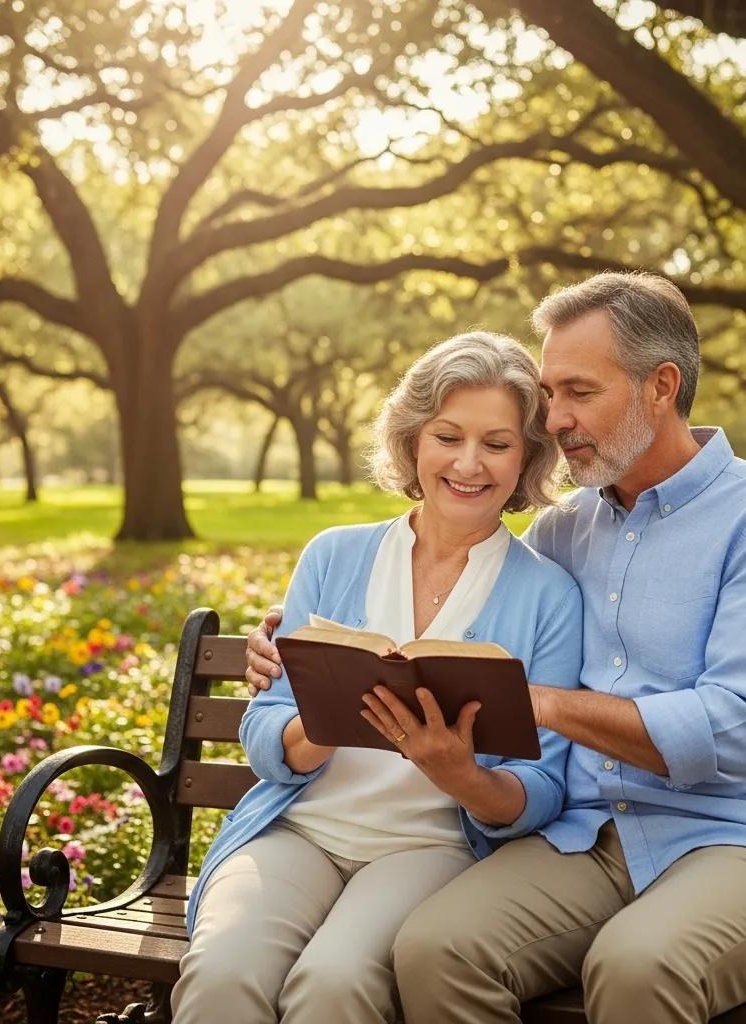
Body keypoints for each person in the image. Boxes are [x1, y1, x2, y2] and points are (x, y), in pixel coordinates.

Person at [247, 272, 746, 1024]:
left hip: (743, 843)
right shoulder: (564, 531)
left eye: (578, 392)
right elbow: (472, 584)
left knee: (636, 966)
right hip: (588, 837)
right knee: (437, 947)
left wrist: (550, 705)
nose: (553, 420)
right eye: (549, 393)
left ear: (661, 385)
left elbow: (740, 729)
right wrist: (286, 636)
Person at [172, 331, 583, 1024]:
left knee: (334, 985)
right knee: (222, 973)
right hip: (296, 832)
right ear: (413, 441)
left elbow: (543, 788)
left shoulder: (549, 596)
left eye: (497, 443)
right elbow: (265, 727)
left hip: (429, 849)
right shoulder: (334, 557)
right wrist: (320, 723)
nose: (468, 464)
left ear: (528, 458)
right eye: (447, 436)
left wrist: (464, 776)